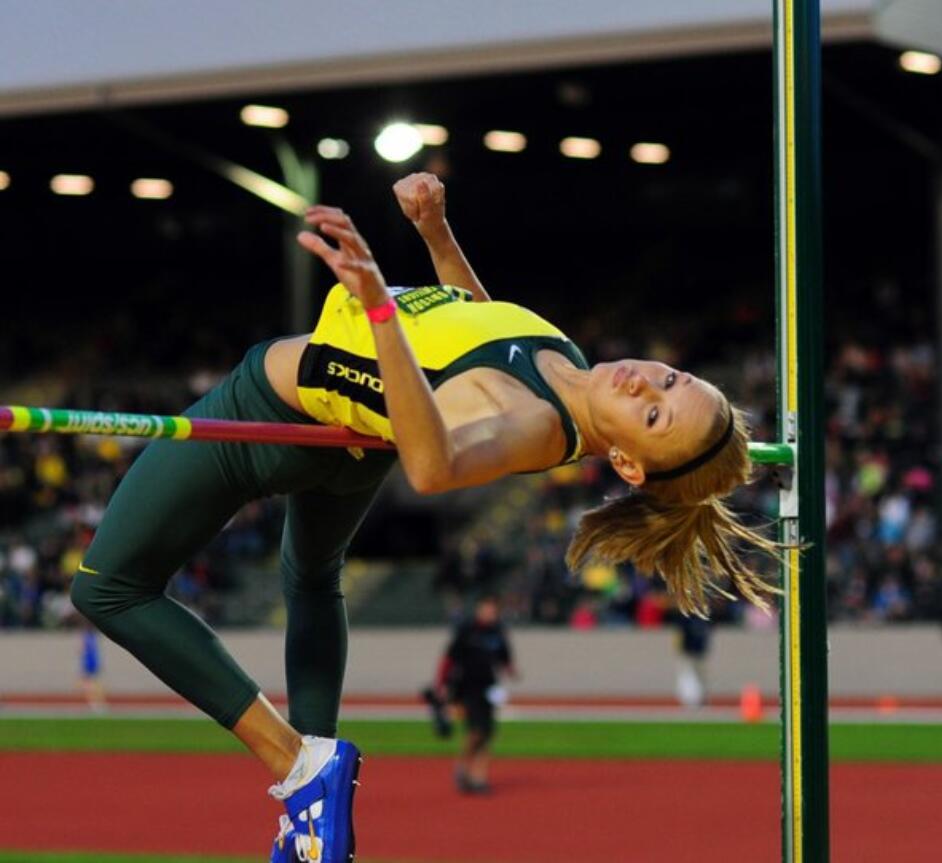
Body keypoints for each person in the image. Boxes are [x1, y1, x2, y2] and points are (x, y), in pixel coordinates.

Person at [68, 173, 779, 863]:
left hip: (265, 415)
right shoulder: (570, 367)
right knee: (311, 576)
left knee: (107, 586)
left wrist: (380, 307)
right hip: (345, 448)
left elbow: (433, 463)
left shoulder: (533, 423)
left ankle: (296, 759)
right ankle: (311, 808)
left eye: (652, 414)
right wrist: (435, 231)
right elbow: (474, 323)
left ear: (627, 463)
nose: (646, 381)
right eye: (672, 381)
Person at [425, 594, 517, 794]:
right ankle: (463, 767)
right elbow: (449, 658)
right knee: (477, 730)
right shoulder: (467, 630)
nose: (490, 613)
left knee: (488, 733)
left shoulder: (498, 632)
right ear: (479, 610)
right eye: (487, 609)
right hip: (466, 687)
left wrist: (510, 669)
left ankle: (479, 777)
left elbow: (504, 656)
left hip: (488, 687)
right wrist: (441, 684)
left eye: (494, 610)